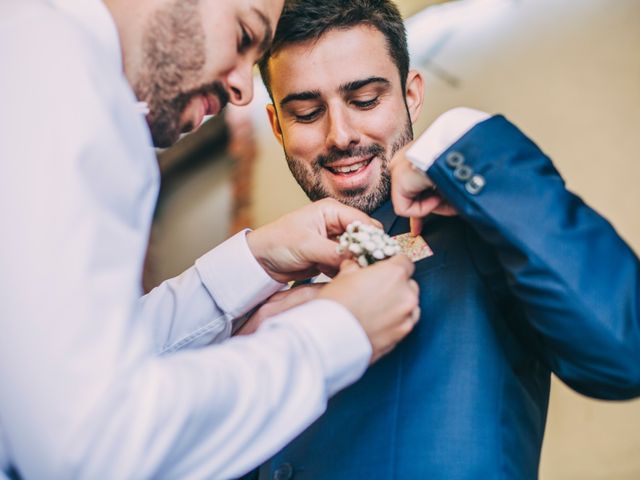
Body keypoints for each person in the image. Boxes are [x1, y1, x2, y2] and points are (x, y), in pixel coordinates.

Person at [0, 0, 422, 478]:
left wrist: (252, 262)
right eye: (243, 35)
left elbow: (60, 372)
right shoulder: (62, 89)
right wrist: (335, 332)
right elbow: (88, 440)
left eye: (365, 100)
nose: (241, 87)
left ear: (412, 94)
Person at [246, 0, 640, 478]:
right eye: (307, 113)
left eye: (366, 100)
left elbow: (624, 350)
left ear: (411, 95)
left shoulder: (483, 234)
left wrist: (456, 142)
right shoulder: (266, 286)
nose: (341, 134)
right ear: (277, 127)